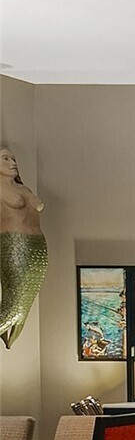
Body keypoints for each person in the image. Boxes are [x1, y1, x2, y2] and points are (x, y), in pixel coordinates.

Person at [0, 146, 49, 349]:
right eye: (5, 158)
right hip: (13, 243)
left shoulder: (24, 189)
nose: (13, 162)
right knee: (15, 305)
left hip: (37, 247)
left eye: (13, 158)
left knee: (24, 306)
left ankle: (9, 337)